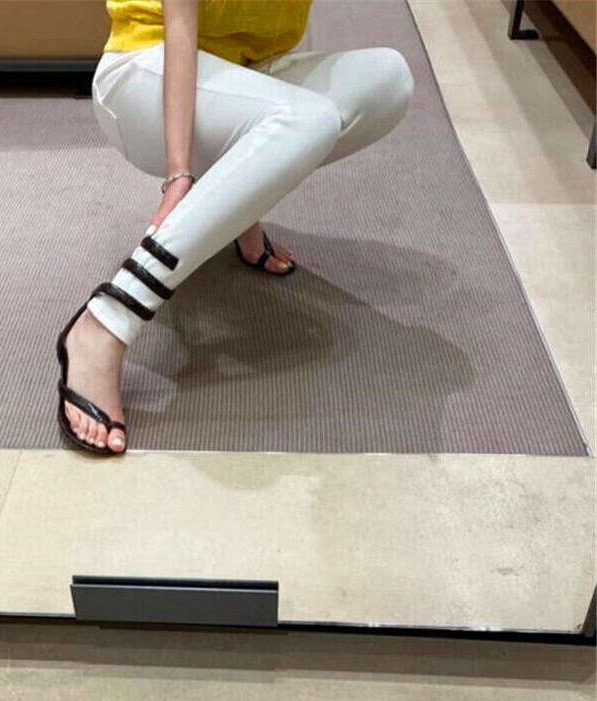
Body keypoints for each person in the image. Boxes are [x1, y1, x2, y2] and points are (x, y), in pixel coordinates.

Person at [56, 0, 415, 455]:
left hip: (242, 71)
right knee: (308, 118)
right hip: (146, 70)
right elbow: (180, 27)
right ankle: (106, 322)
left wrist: (250, 187)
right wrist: (179, 173)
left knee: (389, 78)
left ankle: (232, 206)